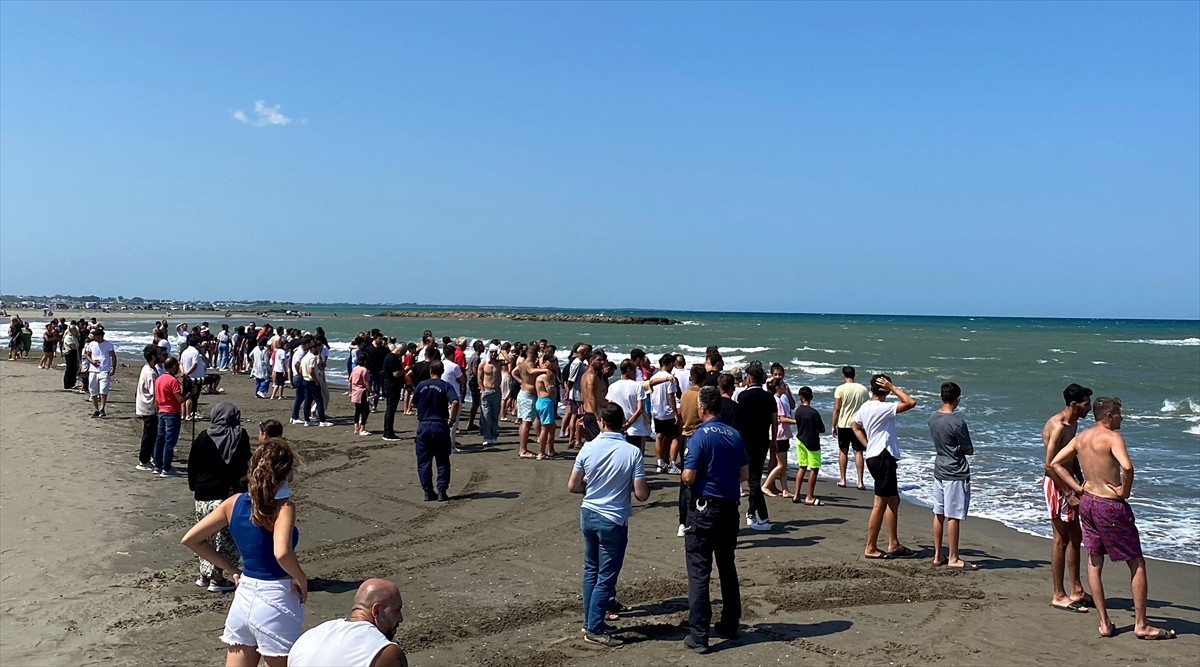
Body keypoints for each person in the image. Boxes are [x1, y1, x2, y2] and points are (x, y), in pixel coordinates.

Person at [1048, 397, 1175, 640]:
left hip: (1089, 503)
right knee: (1136, 563)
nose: (1122, 418)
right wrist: (1124, 491)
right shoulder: (1112, 438)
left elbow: (1055, 463)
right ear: (1109, 416)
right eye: (1119, 414)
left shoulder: (1082, 437)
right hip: (1110, 505)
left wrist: (1077, 486)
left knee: (1095, 562)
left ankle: (1104, 623)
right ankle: (1141, 624)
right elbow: (1127, 467)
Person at [182, 438, 307, 666]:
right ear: (286, 472)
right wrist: (301, 577)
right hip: (276, 599)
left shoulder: (234, 502)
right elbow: (281, 553)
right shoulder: (284, 508)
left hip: (244, 597)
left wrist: (232, 570)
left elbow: (191, 539)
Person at [568, 402, 651, 648]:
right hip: (613, 518)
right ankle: (594, 626)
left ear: (602, 423)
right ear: (622, 423)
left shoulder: (588, 448)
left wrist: (592, 488)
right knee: (606, 575)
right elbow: (641, 494)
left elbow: (573, 485)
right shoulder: (632, 452)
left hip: (589, 512)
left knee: (591, 569)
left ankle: (591, 620)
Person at [681, 386, 749, 654]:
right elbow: (744, 473)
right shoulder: (734, 435)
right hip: (729, 507)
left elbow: (688, 476)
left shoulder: (700, 436)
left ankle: (699, 633)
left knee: (699, 570)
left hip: (705, 508)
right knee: (726, 565)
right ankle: (730, 622)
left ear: (702, 409)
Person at [1042, 382, 1096, 612]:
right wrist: (1067, 493)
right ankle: (1058, 594)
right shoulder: (1058, 426)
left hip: (1070, 484)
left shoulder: (1073, 423)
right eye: (1086, 404)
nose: (1089, 408)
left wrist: (1082, 481)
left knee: (1076, 537)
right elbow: (1050, 464)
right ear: (1074, 404)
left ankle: (1076, 589)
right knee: (1060, 539)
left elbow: (1070, 457)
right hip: (1056, 486)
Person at [188, 402, 253, 592]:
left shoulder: (203, 436)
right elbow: (244, 463)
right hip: (228, 494)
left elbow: (193, 465)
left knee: (204, 535)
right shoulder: (240, 436)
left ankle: (204, 574)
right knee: (227, 538)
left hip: (203, 493)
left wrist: (194, 486)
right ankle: (218, 577)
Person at [853, 374, 917, 559]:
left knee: (893, 500)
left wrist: (867, 444)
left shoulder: (865, 407)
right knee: (880, 503)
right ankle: (870, 547)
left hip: (875, 455)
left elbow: (855, 426)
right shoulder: (883, 408)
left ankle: (893, 543)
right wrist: (893, 387)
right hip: (883, 457)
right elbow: (910, 402)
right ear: (885, 391)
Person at [288, 579, 408, 667]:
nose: (401, 619)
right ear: (376, 611)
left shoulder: (307, 638)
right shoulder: (384, 651)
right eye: (396, 610)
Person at [930, 382, 975, 568]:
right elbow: (969, 449)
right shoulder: (958, 422)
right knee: (953, 516)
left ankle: (937, 555)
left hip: (939, 468)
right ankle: (953, 557)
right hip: (955, 471)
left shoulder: (933, 417)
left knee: (938, 513)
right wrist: (959, 448)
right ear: (957, 399)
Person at [735, 363, 776, 531]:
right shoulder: (769, 397)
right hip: (763, 440)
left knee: (752, 481)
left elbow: (738, 420)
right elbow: (775, 420)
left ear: (749, 379)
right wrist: (773, 440)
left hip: (746, 441)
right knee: (755, 477)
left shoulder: (743, 397)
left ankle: (763, 517)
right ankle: (751, 513)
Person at [414, 360, 457, 501]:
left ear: (430, 371)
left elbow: (414, 402)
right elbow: (455, 401)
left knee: (424, 461)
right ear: (442, 371)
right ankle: (441, 490)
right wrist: (452, 419)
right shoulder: (445, 386)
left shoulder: (421, 385)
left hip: (424, 424)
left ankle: (427, 490)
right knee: (442, 459)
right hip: (439, 424)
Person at [832, 365, 870, 490]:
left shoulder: (840, 389)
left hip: (844, 423)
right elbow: (866, 408)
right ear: (854, 375)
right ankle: (860, 481)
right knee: (858, 452)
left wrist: (833, 425)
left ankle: (843, 479)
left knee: (843, 450)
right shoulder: (863, 389)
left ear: (843, 375)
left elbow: (837, 408)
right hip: (858, 425)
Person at [790, 386, 827, 506]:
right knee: (814, 469)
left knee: (802, 467)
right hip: (812, 442)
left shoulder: (798, 411)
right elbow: (821, 429)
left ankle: (796, 494)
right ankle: (809, 496)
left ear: (800, 398)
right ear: (811, 397)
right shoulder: (813, 413)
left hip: (800, 440)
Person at [605, 359, 651, 451]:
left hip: (617, 428)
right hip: (635, 428)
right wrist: (628, 424)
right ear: (629, 369)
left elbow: (610, 407)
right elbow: (640, 409)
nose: (636, 373)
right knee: (636, 456)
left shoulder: (612, 386)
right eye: (634, 370)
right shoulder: (637, 386)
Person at [761, 377, 797, 498]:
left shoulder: (778, 399)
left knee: (783, 465)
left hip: (782, 435)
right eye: (782, 385)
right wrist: (797, 421)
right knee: (781, 465)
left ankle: (785, 489)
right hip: (780, 436)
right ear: (777, 388)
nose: (785, 387)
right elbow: (781, 419)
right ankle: (766, 485)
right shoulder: (777, 400)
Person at [649, 354, 682, 474]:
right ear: (669, 364)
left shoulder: (655, 377)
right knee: (675, 437)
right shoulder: (669, 378)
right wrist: (675, 413)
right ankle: (672, 463)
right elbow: (671, 396)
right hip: (667, 411)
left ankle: (660, 462)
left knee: (659, 436)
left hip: (657, 411)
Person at [153, 357, 185, 477]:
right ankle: (166, 467)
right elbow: (180, 399)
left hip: (161, 411)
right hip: (171, 412)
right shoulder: (173, 381)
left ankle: (157, 465)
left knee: (160, 439)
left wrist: (158, 411)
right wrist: (190, 394)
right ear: (173, 367)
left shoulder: (159, 379)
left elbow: (156, 398)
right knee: (169, 441)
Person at [134, 344, 161, 472]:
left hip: (146, 406)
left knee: (151, 434)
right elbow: (155, 394)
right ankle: (143, 461)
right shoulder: (150, 372)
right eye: (159, 354)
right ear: (154, 356)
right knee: (149, 435)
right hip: (149, 408)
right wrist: (159, 409)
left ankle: (148, 457)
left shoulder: (148, 368)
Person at [84, 327, 117, 418]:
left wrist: (113, 368)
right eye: (94, 336)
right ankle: (96, 409)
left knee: (103, 391)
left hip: (104, 370)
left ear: (101, 336)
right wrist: (92, 362)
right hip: (93, 370)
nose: (95, 337)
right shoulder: (91, 344)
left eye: (96, 336)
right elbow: (87, 355)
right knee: (93, 390)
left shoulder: (108, 344)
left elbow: (113, 357)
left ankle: (102, 409)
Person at [477, 345, 503, 446]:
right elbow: (479, 378)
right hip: (486, 391)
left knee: (494, 416)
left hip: (496, 391)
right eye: (491, 352)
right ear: (488, 352)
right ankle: (486, 437)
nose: (493, 354)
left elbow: (509, 360)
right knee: (486, 415)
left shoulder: (499, 363)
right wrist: (482, 390)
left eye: (495, 352)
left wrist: (501, 351)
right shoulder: (483, 364)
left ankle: (493, 436)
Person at [535, 354, 560, 459]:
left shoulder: (549, 373)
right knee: (545, 429)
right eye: (551, 362)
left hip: (545, 402)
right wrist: (552, 388)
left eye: (554, 362)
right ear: (545, 362)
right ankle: (541, 452)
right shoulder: (544, 375)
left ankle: (551, 450)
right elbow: (549, 389)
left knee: (552, 427)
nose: (553, 364)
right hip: (545, 401)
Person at [380, 343, 406, 442]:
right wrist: (405, 370)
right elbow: (396, 373)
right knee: (391, 409)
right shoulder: (392, 358)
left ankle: (388, 431)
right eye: (402, 353)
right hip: (392, 386)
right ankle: (388, 432)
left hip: (390, 385)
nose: (402, 355)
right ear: (399, 350)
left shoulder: (389, 356)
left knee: (390, 409)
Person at [350, 354, 372, 436]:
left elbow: (350, 380)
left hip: (355, 391)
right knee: (366, 410)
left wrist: (350, 391)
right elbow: (366, 383)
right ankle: (362, 428)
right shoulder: (364, 370)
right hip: (361, 391)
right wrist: (372, 392)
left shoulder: (355, 368)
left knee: (357, 410)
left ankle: (356, 428)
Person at [62, 323, 80, 391]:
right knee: (69, 369)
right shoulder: (68, 337)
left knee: (74, 369)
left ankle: (72, 383)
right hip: (70, 353)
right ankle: (67, 384)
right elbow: (73, 346)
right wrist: (76, 345)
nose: (75, 331)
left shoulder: (73, 337)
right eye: (74, 330)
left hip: (74, 353)